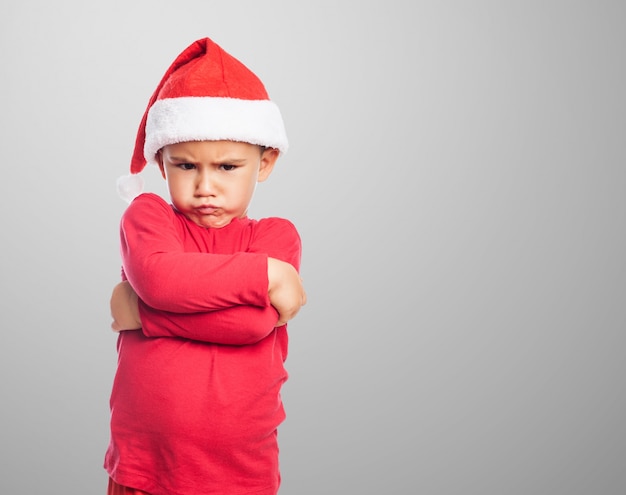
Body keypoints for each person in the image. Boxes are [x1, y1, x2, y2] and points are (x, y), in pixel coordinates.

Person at [103, 37, 306, 495]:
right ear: (161, 162)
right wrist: (265, 275)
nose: (205, 187)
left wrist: (144, 314)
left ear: (265, 162)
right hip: (144, 466)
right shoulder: (149, 215)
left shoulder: (274, 236)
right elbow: (158, 278)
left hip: (240, 469)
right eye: (186, 165)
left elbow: (250, 325)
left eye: (228, 167)